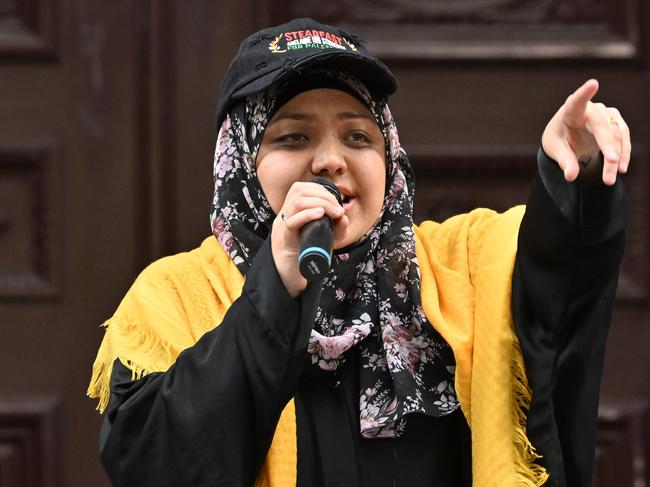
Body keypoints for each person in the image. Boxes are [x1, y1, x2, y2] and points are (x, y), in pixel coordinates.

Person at [88, 17, 629, 487]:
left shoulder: (454, 268)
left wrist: (575, 181)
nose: (329, 160)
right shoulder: (177, 296)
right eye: (293, 138)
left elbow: (558, 278)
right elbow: (155, 464)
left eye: (358, 137)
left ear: (389, 158)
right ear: (241, 165)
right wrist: (274, 293)